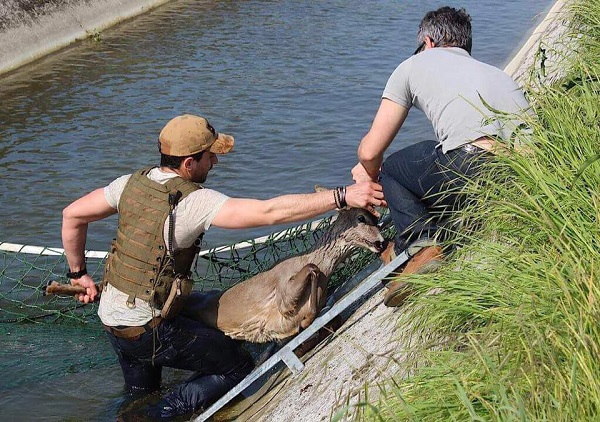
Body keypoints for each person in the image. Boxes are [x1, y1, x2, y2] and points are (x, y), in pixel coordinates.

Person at [61, 113, 385, 419]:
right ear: (189, 164)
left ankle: (135, 411)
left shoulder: (130, 183)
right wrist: (342, 196)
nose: (215, 161)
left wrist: (79, 274)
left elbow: (72, 215)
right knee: (236, 367)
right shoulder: (193, 202)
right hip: (148, 328)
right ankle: (153, 417)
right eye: (209, 156)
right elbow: (268, 212)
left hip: (113, 322)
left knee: (139, 392)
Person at [351, 6, 530, 307]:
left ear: (429, 43)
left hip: (469, 164)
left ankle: (423, 249)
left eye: (419, 47)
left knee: (394, 168)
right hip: (516, 179)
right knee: (438, 160)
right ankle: (418, 245)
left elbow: (370, 150)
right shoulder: (499, 75)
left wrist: (368, 175)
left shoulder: (411, 66)